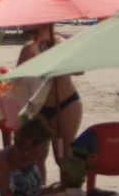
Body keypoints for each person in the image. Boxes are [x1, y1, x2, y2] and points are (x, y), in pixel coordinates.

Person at [17, 26, 82, 176]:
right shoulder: (28, 49)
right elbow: (17, 79)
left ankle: (69, 192)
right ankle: (40, 193)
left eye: (36, 31)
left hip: (66, 103)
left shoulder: (61, 43)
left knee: (64, 156)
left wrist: (54, 58)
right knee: (37, 155)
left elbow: (79, 70)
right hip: (39, 107)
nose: (33, 36)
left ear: (48, 28)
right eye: (31, 32)